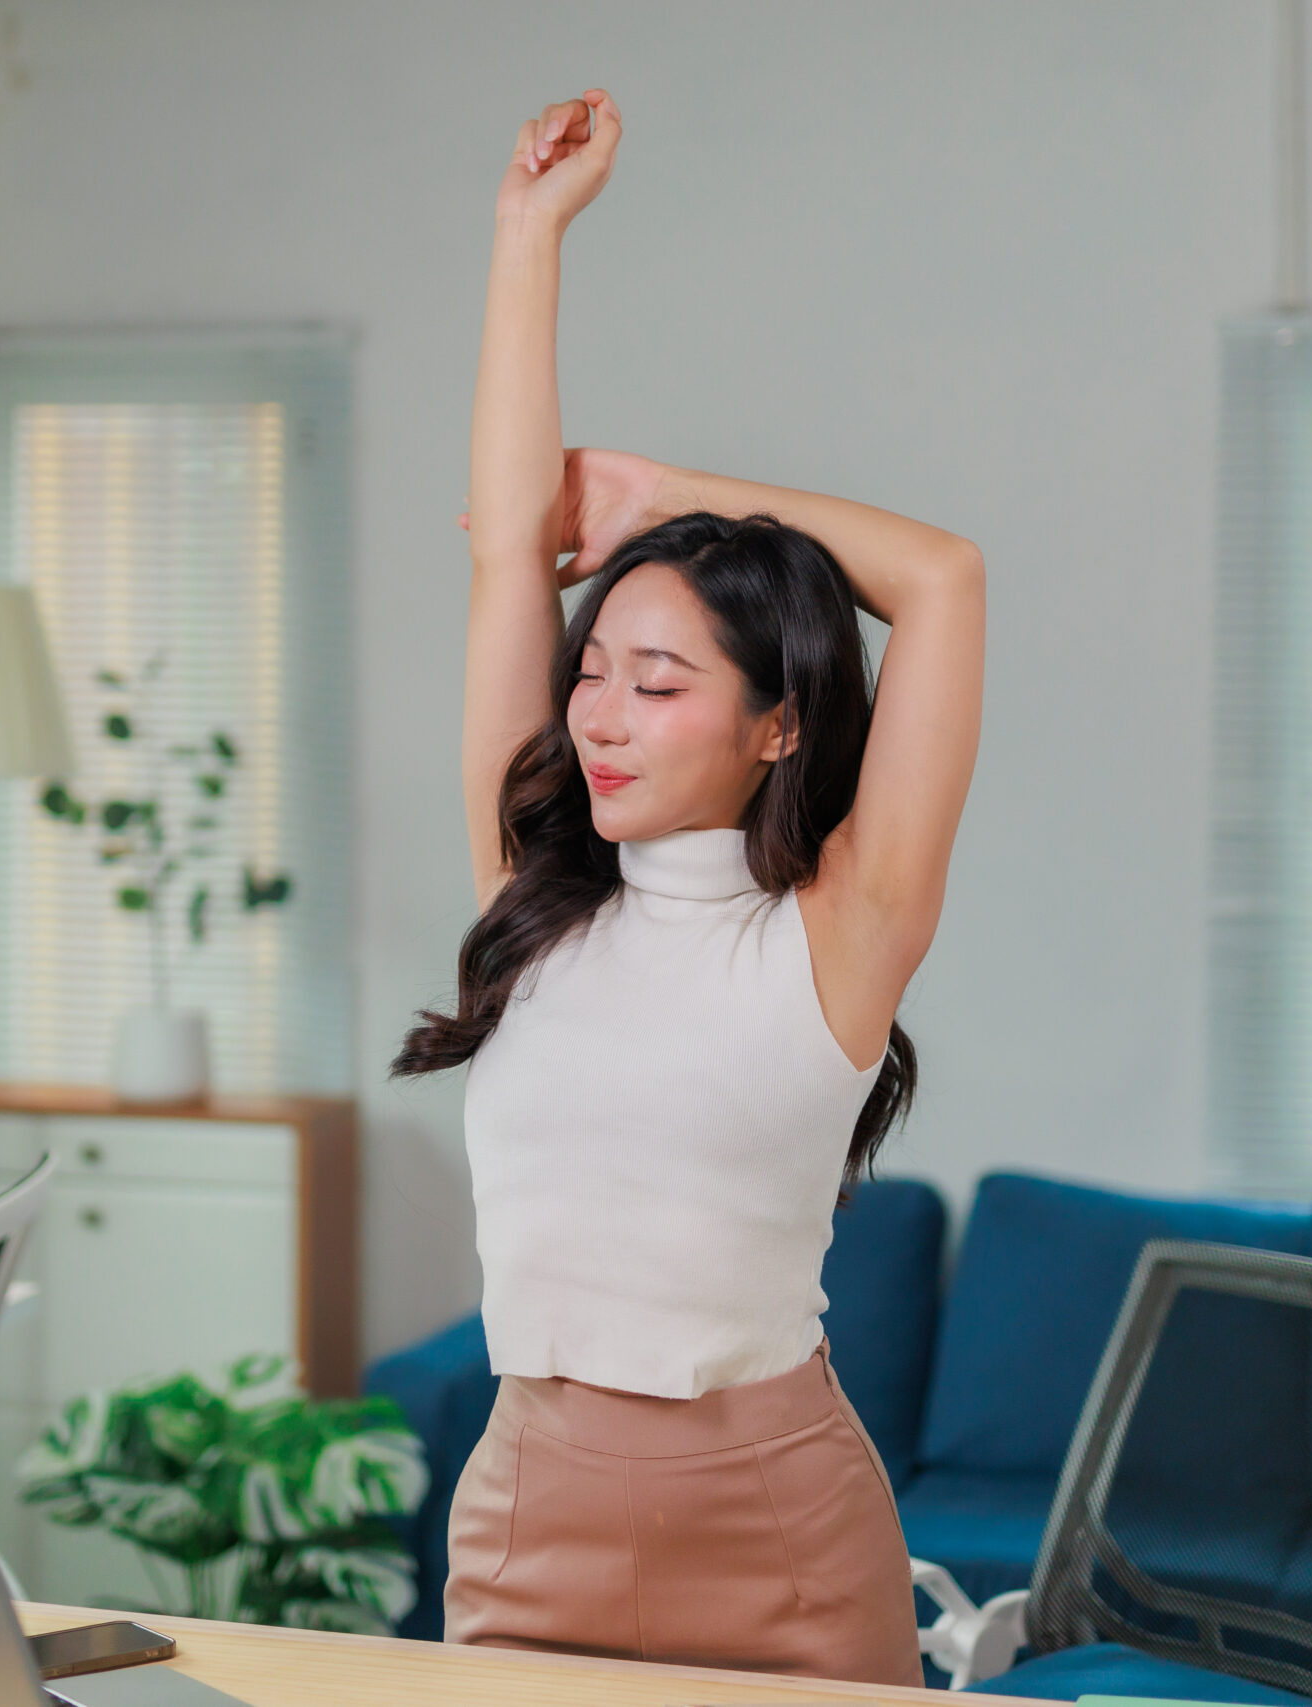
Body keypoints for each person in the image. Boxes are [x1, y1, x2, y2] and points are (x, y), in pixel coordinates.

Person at [390, 89, 985, 1688]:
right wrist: (530, 233)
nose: (598, 713)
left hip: (777, 1531)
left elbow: (940, 580)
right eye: (599, 673)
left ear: (776, 720)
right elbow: (512, 556)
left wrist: (681, 503)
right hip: (527, 1513)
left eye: (660, 683)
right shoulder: (536, 901)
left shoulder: (840, 937)